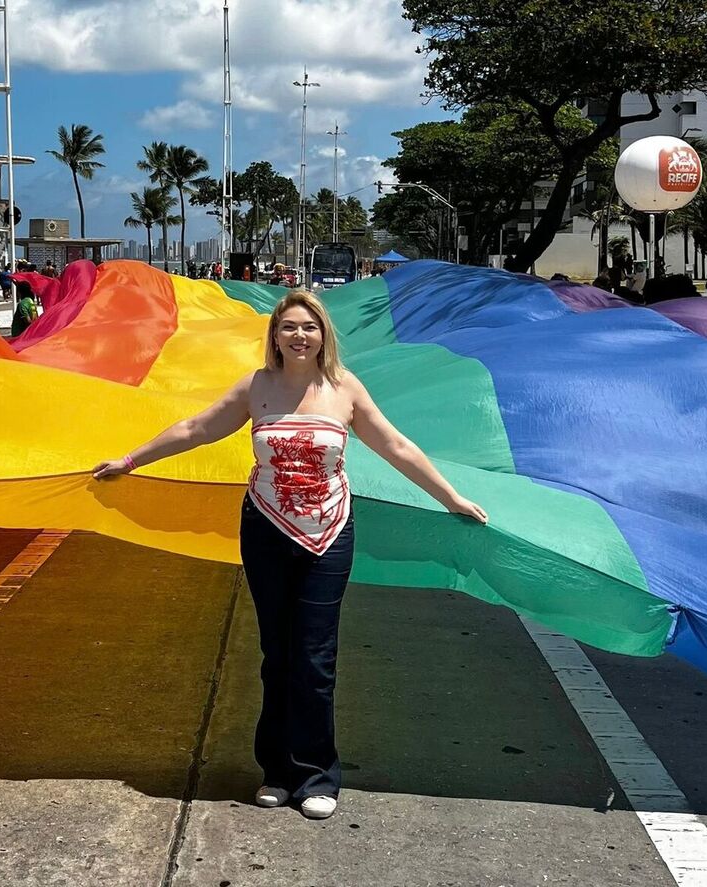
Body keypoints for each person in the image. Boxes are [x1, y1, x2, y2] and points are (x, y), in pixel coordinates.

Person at [91, 290, 488, 820]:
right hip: (265, 529)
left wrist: (452, 498)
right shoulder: (257, 387)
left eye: (309, 327)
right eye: (289, 327)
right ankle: (276, 771)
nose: (299, 336)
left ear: (324, 335)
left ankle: (316, 775)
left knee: (315, 660)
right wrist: (132, 459)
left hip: (328, 534)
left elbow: (396, 446)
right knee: (277, 656)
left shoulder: (343, 389)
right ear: (274, 336)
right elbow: (197, 428)